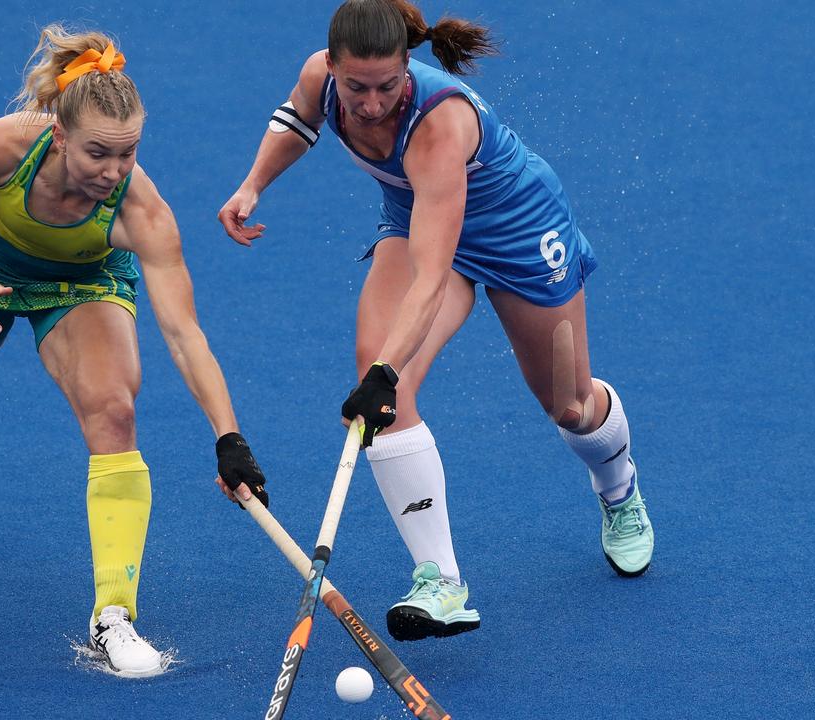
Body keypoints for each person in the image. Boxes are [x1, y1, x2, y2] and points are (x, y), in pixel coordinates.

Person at [218, 0, 653, 642]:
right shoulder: (320, 77)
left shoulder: (440, 126)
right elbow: (297, 121)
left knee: (569, 407)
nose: (369, 104)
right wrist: (252, 185)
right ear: (333, 65)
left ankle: (618, 489)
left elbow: (430, 279)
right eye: (356, 87)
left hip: (520, 233)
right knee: (383, 399)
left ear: (408, 69)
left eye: (387, 87)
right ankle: (442, 583)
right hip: (416, 219)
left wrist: (386, 372)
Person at [0, 25, 269, 677]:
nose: (114, 171)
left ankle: (114, 616)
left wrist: (230, 438)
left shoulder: (143, 214)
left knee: (113, 409)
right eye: (98, 153)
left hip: (80, 285)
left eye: (128, 153)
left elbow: (183, 332)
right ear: (58, 135)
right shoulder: (10, 145)